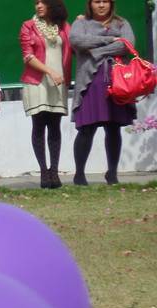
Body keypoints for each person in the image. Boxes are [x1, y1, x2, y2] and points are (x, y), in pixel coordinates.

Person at [70, 0, 135, 186]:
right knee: (86, 129)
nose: (101, 5)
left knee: (113, 127)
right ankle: (79, 175)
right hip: (89, 82)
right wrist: (109, 40)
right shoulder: (81, 23)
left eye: (105, 1)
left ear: (111, 4)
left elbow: (127, 44)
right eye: (97, 1)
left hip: (116, 82)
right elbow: (77, 41)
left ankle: (112, 174)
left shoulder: (121, 23)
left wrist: (96, 51)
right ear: (90, 4)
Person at [20, 0, 71, 189]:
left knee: (55, 126)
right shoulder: (28, 26)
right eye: (36, 2)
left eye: (43, 2)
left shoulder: (64, 26)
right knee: (39, 125)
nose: (38, 5)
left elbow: (77, 44)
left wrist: (84, 21)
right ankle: (43, 172)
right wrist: (50, 71)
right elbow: (28, 56)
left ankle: (54, 172)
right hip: (37, 82)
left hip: (59, 82)